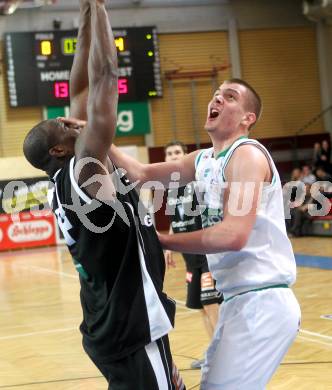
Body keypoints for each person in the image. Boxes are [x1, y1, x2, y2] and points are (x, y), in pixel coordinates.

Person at [22, 1, 185, 389]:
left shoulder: (67, 176)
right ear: (59, 150)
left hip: (114, 321)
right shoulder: (84, 170)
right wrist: (101, 9)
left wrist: (87, 12)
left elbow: (79, 87)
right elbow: (106, 77)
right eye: (62, 124)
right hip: (129, 326)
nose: (69, 119)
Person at [109, 78, 301, 389]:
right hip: (238, 301)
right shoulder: (204, 160)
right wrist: (98, 136)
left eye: (230, 96)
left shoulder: (247, 155)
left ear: (247, 118)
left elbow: (232, 235)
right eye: (216, 95)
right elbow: (142, 175)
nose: (218, 100)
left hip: (262, 302)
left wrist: (158, 240)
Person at [164, 140, 222, 370]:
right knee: (200, 306)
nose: (173, 156)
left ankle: (224, 355)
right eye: (169, 153)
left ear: (185, 155)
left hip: (206, 251)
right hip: (189, 256)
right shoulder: (170, 186)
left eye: (177, 152)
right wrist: (169, 246)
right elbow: (175, 219)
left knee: (211, 303)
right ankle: (214, 352)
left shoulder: (197, 179)